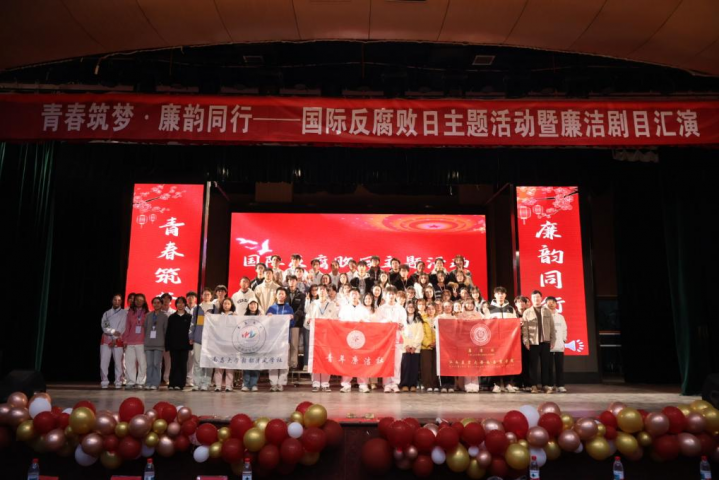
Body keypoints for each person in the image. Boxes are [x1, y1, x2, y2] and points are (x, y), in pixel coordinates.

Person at [481, 286, 519, 393]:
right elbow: (485, 324)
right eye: (498, 294)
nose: (500, 296)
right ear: (494, 295)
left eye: (502, 293)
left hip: (509, 341)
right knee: (495, 362)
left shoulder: (511, 309)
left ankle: (508, 383)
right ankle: (496, 384)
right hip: (494, 341)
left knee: (508, 361)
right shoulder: (489, 309)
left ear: (505, 295)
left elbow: (515, 323)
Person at [307, 285, 341, 392]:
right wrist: (308, 320)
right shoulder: (313, 304)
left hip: (327, 335)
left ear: (327, 292)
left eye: (324, 290)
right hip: (315, 335)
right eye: (319, 290)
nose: (322, 292)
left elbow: (335, 319)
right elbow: (308, 316)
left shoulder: (332, 305)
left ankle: (325, 383)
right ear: (316, 292)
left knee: (327, 357)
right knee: (316, 357)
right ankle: (316, 382)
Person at [522, 290, 556, 394]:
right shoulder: (527, 312)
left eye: (538, 297)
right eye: (534, 297)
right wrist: (526, 341)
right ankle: (534, 386)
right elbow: (525, 329)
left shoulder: (547, 311)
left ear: (541, 298)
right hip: (533, 342)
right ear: (531, 299)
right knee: (533, 365)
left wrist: (553, 340)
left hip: (545, 342)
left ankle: (545, 385)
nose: (536, 299)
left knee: (545, 364)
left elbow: (552, 326)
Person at [376, 286, 405, 393]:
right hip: (386, 339)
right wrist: (387, 323)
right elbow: (377, 323)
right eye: (389, 294)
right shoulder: (381, 308)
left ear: (396, 295)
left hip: (397, 337)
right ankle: (387, 384)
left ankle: (395, 383)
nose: (391, 296)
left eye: (393, 294)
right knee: (386, 361)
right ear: (385, 295)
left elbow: (404, 323)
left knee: (397, 362)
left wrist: (402, 326)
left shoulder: (400, 308)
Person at [266, 288, 295, 391]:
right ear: (276, 295)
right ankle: (273, 383)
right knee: (273, 360)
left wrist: (291, 318)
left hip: (285, 339)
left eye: (283, 294)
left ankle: (281, 383)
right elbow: (266, 324)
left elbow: (292, 324)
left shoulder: (289, 308)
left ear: (285, 296)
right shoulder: (271, 308)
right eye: (279, 293)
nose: (281, 295)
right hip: (273, 340)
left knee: (284, 361)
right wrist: (267, 317)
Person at [122, 293, 148, 389]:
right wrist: (125, 340)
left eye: (141, 300)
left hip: (142, 342)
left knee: (142, 363)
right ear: (134, 301)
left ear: (144, 302)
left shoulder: (147, 313)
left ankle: (140, 382)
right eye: (137, 300)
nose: (139, 302)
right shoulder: (130, 312)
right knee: (130, 363)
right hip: (130, 342)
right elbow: (127, 327)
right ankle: (131, 381)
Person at [100, 294, 127, 389]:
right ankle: (104, 381)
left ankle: (118, 381)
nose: (117, 302)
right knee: (104, 361)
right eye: (115, 300)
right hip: (106, 339)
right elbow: (104, 327)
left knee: (118, 362)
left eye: (119, 300)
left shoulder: (124, 313)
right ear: (112, 301)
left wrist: (115, 339)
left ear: (121, 302)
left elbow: (122, 327)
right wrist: (112, 332)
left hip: (118, 339)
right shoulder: (107, 313)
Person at [189, 288, 213, 391]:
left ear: (211, 296)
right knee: (197, 361)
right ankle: (196, 383)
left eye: (208, 294)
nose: (206, 296)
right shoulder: (197, 308)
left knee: (208, 361)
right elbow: (193, 323)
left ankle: (206, 383)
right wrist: (191, 336)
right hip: (198, 338)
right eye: (205, 294)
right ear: (202, 296)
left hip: (210, 340)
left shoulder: (214, 308)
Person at [166, 297, 192, 390]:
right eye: (178, 303)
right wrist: (168, 345)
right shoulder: (172, 317)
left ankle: (181, 384)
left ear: (185, 304)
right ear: (176, 304)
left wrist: (190, 344)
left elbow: (191, 331)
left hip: (185, 345)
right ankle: (172, 383)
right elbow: (168, 332)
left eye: (182, 303)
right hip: (174, 345)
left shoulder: (189, 317)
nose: (180, 305)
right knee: (174, 364)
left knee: (183, 365)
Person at [213, 298, 237, 392]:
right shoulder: (218, 316)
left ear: (231, 305)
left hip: (230, 343)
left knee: (229, 365)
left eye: (228, 304)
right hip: (219, 343)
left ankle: (228, 385)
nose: (226, 305)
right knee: (219, 364)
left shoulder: (235, 316)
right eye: (224, 303)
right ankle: (218, 385)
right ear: (222, 305)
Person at [144, 297, 169, 390]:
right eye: (154, 303)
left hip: (159, 344)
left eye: (158, 303)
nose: (156, 304)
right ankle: (148, 383)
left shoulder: (165, 316)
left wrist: (164, 343)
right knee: (149, 365)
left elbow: (166, 331)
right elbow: (145, 328)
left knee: (156, 364)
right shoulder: (148, 315)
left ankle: (155, 383)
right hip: (148, 343)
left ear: (161, 304)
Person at [399, 301, 424, 392]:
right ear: (406, 308)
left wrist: (414, 346)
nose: (411, 309)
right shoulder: (402, 319)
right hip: (404, 347)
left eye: (412, 307)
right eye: (409, 307)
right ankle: (404, 384)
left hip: (415, 348)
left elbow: (420, 334)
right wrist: (406, 345)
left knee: (414, 367)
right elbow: (401, 333)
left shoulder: (418, 319)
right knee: (405, 366)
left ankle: (413, 384)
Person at [547, 296, 568, 393]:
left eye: (553, 303)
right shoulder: (545, 316)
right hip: (548, 345)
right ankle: (550, 385)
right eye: (549, 303)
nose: (551, 304)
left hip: (559, 344)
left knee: (559, 366)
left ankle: (560, 385)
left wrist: (564, 340)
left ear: (556, 304)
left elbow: (564, 329)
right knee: (549, 366)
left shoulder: (560, 317)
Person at [241, 299, 263, 392]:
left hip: (257, 343)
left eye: (254, 304)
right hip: (246, 343)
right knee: (246, 364)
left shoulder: (261, 316)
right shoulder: (244, 317)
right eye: (251, 304)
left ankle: (254, 384)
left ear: (257, 305)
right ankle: (246, 384)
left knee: (255, 364)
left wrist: (268, 317)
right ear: (248, 305)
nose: (253, 306)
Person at [286, 275, 307, 370]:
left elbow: (302, 308)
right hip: (284, 323)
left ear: (296, 282)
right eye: (290, 280)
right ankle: (285, 363)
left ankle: (293, 364)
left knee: (294, 344)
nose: (292, 282)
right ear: (287, 282)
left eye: (293, 280)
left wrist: (294, 316)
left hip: (296, 322)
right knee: (285, 344)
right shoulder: (283, 293)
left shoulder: (301, 295)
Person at [435, 301, 456, 393]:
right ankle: (443, 385)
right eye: (446, 306)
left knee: (451, 364)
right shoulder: (439, 318)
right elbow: (435, 329)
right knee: (443, 364)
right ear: (443, 307)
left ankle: (451, 385)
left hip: (452, 345)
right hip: (442, 345)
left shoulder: (455, 318)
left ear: (452, 307)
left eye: (449, 306)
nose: (448, 308)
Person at [514, 295, 532, 391]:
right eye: (519, 302)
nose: (521, 304)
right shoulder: (513, 314)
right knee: (516, 361)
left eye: (523, 302)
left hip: (527, 340)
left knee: (527, 362)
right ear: (515, 304)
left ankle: (528, 383)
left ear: (526, 304)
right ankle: (517, 383)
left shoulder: (529, 314)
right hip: (514, 341)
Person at [159, 293, 176, 385]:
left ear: (170, 301)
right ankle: (157, 378)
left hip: (169, 340)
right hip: (158, 340)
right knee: (157, 361)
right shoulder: (157, 312)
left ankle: (166, 378)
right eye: (164, 299)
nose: (165, 301)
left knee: (168, 361)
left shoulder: (173, 312)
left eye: (167, 299)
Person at [184, 291, 198, 388]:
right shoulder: (183, 309)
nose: (190, 299)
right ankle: (184, 378)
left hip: (194, 337)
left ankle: (191, 379)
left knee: (193, 359)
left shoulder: (198, 309)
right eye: (189, 297)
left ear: (195, 299)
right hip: (183, 337)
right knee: (184, 359)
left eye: (192, 297)